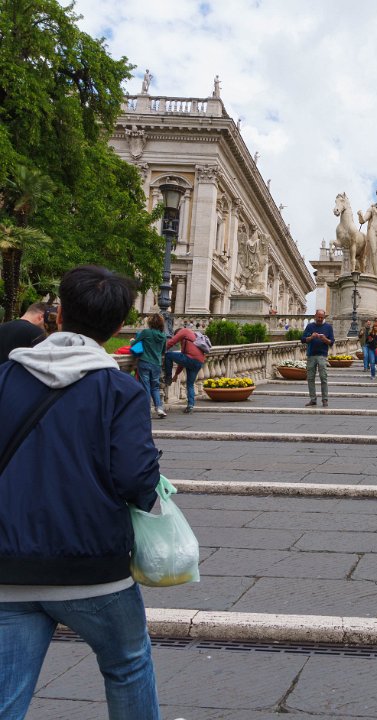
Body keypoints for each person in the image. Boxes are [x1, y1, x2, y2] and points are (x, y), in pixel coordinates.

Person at [0, 265, 162, 720]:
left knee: (6, 696)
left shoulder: (4, 379)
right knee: (128, 667)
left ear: (58, 315)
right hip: (94, 567)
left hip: (8, 566)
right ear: (118, 326)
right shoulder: (121, 390)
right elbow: (136, 481)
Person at [163, 323, 208, 413]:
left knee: (168, 355)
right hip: (199, 362)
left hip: (191, 359)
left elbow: (172, 342)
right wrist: (176, 374)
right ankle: (190, 405)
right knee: (190, 384)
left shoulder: (184, 331)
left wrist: (162, 351)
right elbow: (182, 362)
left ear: (178, 333)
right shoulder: (192, 337)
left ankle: (168, 377)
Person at [134, 313, 167, 418]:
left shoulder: (146, 332)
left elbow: (134, 344)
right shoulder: (163, 336)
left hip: (144, 361)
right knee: (155, 387)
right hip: (156, 364)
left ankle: (147, 409)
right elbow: (163, 351)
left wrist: (132, 341)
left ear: (150, 322)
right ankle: (159, 408)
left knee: (146, 386)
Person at [301, 308, 334, 406]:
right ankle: (313, 399)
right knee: (310, 378)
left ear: (324, 317)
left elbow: (331, 342)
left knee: (323, 377)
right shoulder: (310, 326)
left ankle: (325, 399)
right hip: (311, 355)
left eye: (321, 317)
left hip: (322, 355)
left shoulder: (328, 327)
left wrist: (325, 339)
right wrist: (311, 337)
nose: (320, 319)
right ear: (315, 316)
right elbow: (302, 339)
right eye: (318, 317)